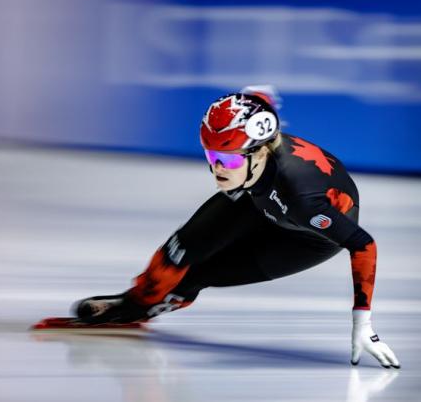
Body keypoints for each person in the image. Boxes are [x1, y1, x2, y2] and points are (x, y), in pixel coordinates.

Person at [71, 87, 400, 368]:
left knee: (203, 273)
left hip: (306, 239)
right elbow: (252, 102)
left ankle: (148, 307)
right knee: (182, 247)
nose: (217, 169)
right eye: (211, 155)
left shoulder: (303, 199)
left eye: (227, 160)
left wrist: (363, 321)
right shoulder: (251, 162)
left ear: (258, 154)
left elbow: (363, 244)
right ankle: (134, 298)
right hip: (259, 196)